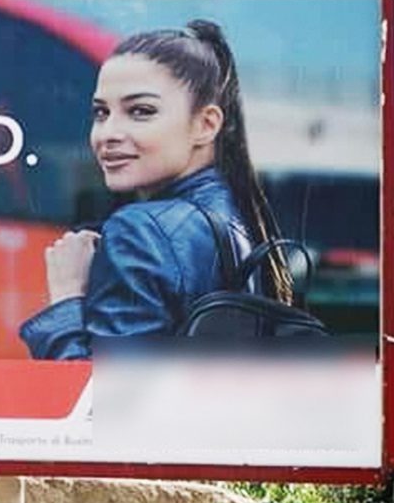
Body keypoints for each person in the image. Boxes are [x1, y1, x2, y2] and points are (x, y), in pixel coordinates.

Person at [18, 20, 292, 360]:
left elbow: (104, 405)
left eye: (141, 111)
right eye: (101, 113)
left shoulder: (139, 230)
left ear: (205, 125)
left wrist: (66, 299)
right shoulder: (241, 216)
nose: (107, 134)